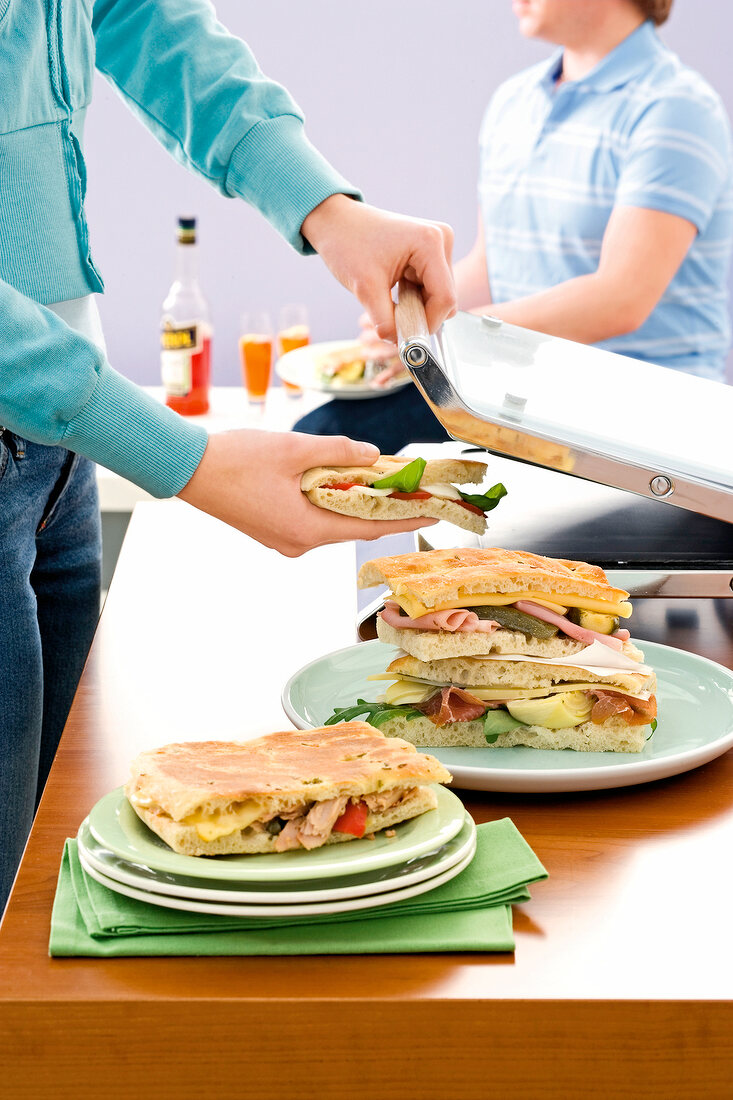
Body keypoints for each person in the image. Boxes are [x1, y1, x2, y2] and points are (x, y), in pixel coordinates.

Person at [0, 0, 456, 913]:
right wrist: (188, 462)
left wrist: (326, 208)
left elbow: (141, 16)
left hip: (54, 448)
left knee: (54, 887)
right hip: (52, 408)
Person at [297, 0, 733, 448]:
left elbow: (620, 299)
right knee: (316, 439)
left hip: (648, 416)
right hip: (528, 395)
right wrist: (410, 320)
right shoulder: (515, 101)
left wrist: (443, 337)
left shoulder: (676, 108)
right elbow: (490, 268)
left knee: (330, 447)